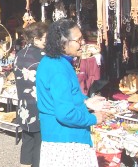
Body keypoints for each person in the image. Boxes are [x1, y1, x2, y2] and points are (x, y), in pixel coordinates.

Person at [37, 19, 110, 166]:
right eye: (78, 40)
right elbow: (65, 113)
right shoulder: (58, 70)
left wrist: (85, 101)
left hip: (57, 137)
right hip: (66, 142)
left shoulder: (52, 62)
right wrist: (94, 119)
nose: (82, 43)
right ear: (63, 43)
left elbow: (63, 96)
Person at [13, 22, 48, 167]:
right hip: (39, 106)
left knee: (27, 140)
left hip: (24, 106)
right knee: (39, 144)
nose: (48, 41)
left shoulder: (20, 54)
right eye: (46, 38)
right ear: (36, 38)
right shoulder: (42, 56)